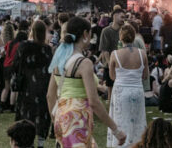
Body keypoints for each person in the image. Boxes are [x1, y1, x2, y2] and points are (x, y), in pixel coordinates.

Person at [46, 16, 127, 147]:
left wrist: (55, 119)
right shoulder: (84, 63)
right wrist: (116, 130)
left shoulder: (59, 59)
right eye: (90, 34)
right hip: (78, 117)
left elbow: (50, 96)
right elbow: (94, 101)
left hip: (61, 116)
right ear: (85, 34)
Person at [12, 20, 52, 148]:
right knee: (42, 114)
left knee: (26, 114)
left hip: (27, 86)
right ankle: (40, 143)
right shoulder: (47, 49)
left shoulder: (24, 46)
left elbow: (16, 65)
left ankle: (27, 143)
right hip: (43, 86)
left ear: (32, 31)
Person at [106, 24, 147, 147]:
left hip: (121, 91)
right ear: (134, 37)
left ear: (121, 38)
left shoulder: (115, 54)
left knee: (120, 121)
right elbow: (145, 76)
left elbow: (112, 76)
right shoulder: (142, 53)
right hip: (137, 90)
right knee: (137, 121)